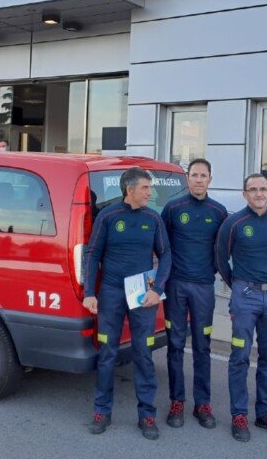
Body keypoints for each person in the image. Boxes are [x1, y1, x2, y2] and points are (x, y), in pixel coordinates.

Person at [83, 167, 171, 440]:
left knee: (143, 353)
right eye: (145, 187)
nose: (150, 192)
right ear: (129, 189)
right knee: (107, 352)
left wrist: (157, 289)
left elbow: (166, 255)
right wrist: (89, 292)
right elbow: (93, 254)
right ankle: (102, 411)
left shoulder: (153, 218)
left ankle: (147, 414)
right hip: (111, 292)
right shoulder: (108, 216)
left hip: (142, 295)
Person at [215, 173, 267, 442]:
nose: (259, 194)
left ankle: (266, 412)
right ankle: (239, 415)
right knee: (240, 356)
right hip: (245, 297)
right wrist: (238, 286)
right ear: (244, 194)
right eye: (253, 190)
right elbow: (221, 259)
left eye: (263, 189)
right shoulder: (233, 222)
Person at [160, 158, 227, 429]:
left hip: (203, 288)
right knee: (175, 345)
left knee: (202, 346)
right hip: (175, 286)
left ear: (210, 179)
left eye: (203, 175)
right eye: (194, 175)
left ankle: (203, 403)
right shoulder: (173, 208)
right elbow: (161, 247)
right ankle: (177, 401)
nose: (199, 179)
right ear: (187, 179)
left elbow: (224, 250)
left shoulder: (219, 211)